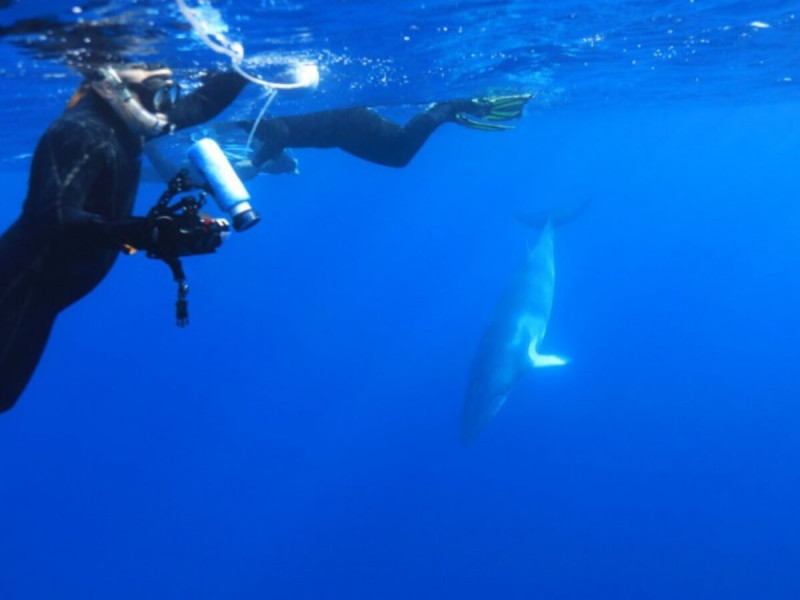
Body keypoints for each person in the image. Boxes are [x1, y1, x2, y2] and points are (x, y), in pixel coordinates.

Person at [0, 62, 249, 413]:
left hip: (43, 298)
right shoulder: (79, 131)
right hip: (19, 287)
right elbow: (54, 217)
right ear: (109, 77)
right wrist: (145, 234)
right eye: (147, 68)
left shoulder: (130, 121)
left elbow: (197, 107)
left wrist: (242, 72)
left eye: (168, 90)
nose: (165, 91)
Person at [242, 94, 532, 171]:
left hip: (345, 123)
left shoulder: (239, 115)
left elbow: (278, 131)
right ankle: (443, 113)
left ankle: (447, 107)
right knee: (398, 157)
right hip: (339, 133)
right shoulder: (233, 123)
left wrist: (255, 164)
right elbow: (279, 139)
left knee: (400, 150)